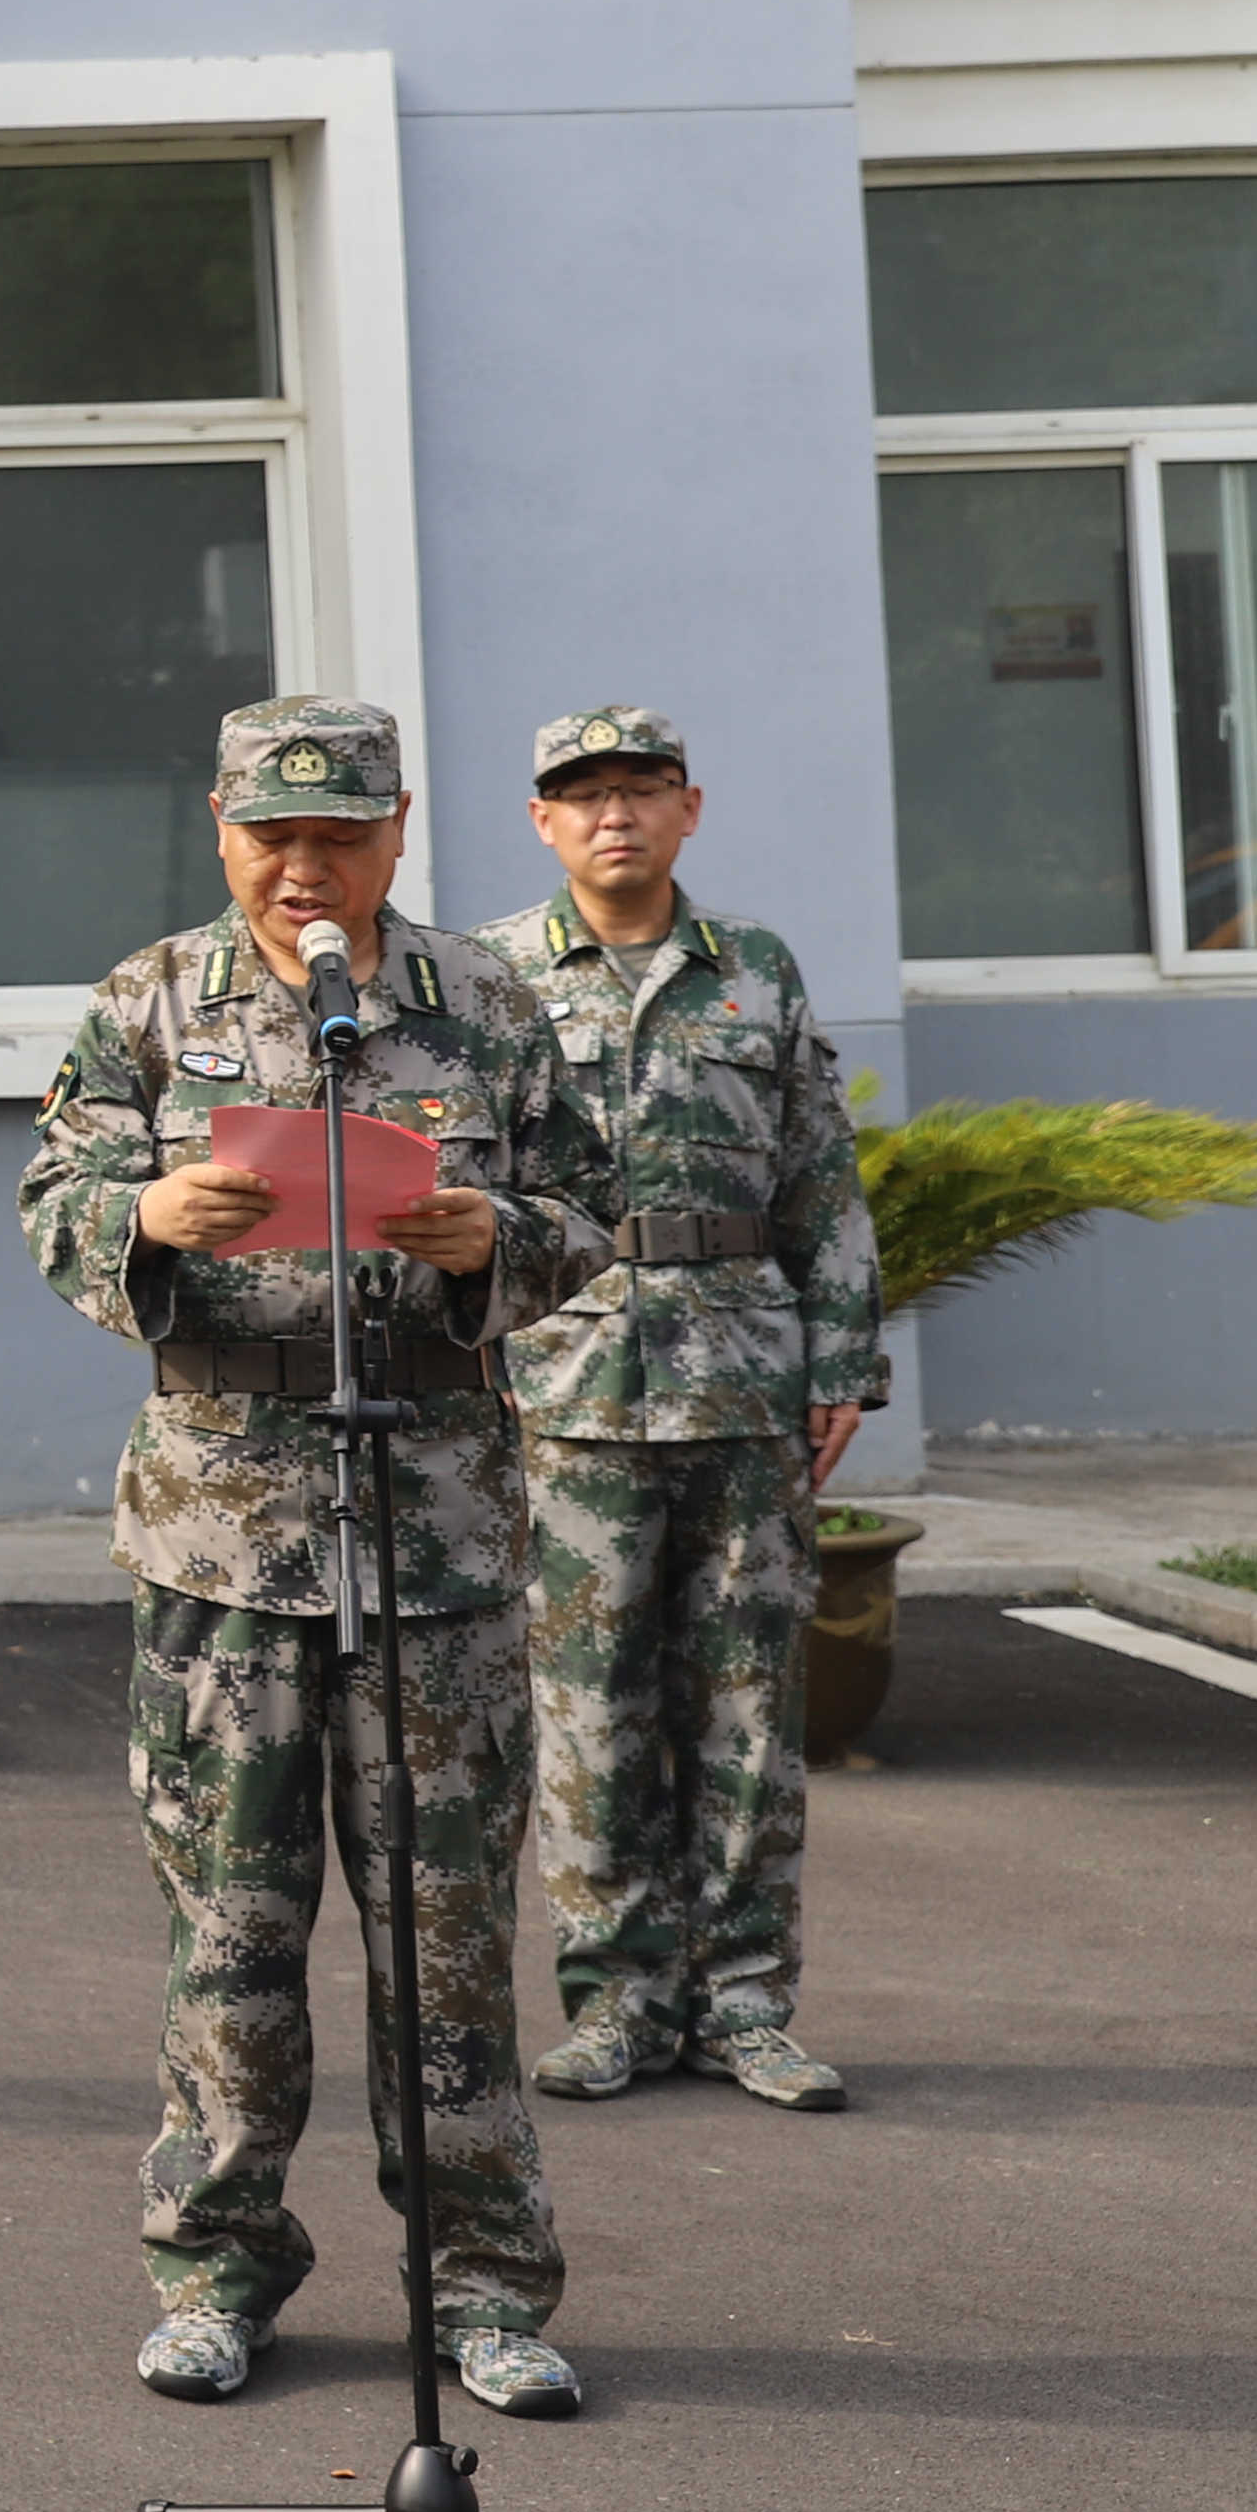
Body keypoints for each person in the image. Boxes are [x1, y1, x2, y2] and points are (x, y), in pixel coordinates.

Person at [20, 699, 619, 2417]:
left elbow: (587, 1210)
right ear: (220, 826)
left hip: (428, 1523)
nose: (306, 869)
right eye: (274, 835)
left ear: (400, 830)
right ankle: (215, 2271)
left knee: (444, 1940)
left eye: (341, 834)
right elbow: (48, 1197)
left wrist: (487, 1242)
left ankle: (485, 2289)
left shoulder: (488, 1006)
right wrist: (140, 1221)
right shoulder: (151, 1002)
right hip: (224, 1538)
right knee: (232, 1934)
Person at [478, 707, 884, 2115]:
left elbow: (820, 1178)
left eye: (641, 792)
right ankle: (615, 2003)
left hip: (742, 1381)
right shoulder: (493, 982)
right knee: (587, 1708)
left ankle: (749, 2005)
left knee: (749, 1713)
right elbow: (460, 1195)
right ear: (543, 821)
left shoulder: (754, 973)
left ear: (689, 809)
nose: (614, 818)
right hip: (567, 1385)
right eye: (583, 796)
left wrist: (843, 1362)